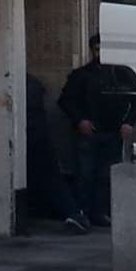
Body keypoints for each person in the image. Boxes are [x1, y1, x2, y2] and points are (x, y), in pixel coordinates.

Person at [57, 35, 136, 227]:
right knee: (85, 174)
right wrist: (80, 120)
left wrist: (128, 122)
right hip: (90, 132)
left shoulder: (123, 74)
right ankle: (84, 213)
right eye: (96, 50)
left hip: (112, 131)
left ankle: (99, 212)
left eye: (102, 49)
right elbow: (66, 101)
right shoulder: (82, 75)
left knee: (106, 175)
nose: (100, 53)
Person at [25, 74, 89, 233]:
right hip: (39, 136)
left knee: (48, 178)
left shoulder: (23, 84)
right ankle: (75, 213)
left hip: (31, 136)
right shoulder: (34, 84)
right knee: (52, 178)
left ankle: (74, 214)